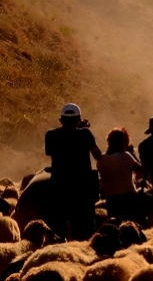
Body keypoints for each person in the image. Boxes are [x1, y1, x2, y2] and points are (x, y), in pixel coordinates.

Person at [44, 103, 102, 240]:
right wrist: (81, 129)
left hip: (60, 188)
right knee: (85, 231)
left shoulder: (51, 135)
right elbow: (98, 155)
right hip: (82, 191)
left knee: (58, 231)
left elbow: (50, 152)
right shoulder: (85, 134)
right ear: (78, 119)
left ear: (60, 120)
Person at [97, 127, 144, 223]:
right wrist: (132, 154)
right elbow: (142, 171)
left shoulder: (101, 159)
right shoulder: (125, 156)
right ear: (123, 142)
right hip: (128, 198)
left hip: (111, 200)